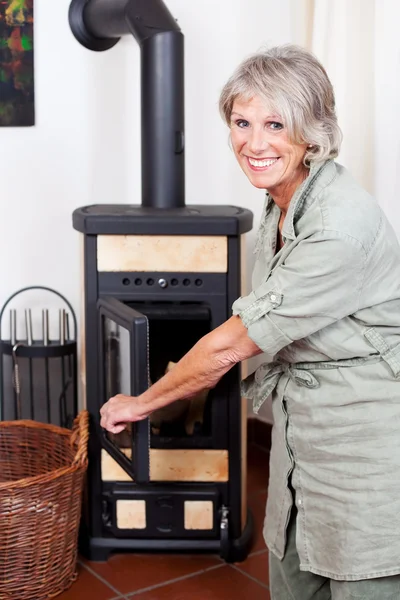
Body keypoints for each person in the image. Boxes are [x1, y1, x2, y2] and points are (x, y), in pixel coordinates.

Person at [100, 44, 400, 599]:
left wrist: (142, 403)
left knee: (363, 582)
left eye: (275, 124)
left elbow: (227, 346)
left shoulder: (339, 228)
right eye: (242, 122)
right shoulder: (284, 200)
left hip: (365, 446)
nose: (254, 143)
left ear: (312, 131)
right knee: (291, 578)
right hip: (302, 435)